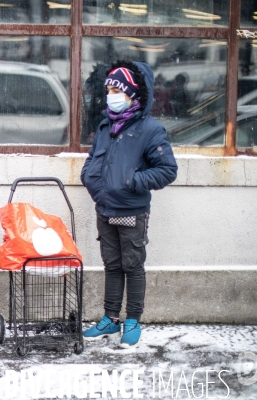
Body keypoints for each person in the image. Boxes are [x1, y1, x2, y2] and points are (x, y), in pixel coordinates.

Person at [80, 60, 178, 348]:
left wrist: (131, 182)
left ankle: (133, 319)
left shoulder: (150, 129)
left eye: (116, 89)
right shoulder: (105, 124)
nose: (110, 94)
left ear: (133, 94)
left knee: (132, 266)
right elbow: (92, 160)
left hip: (132, 212)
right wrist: (90, 180)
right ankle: (110, 318)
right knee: (111, 265)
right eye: (108, 88)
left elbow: (167, 170)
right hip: (105, 209)